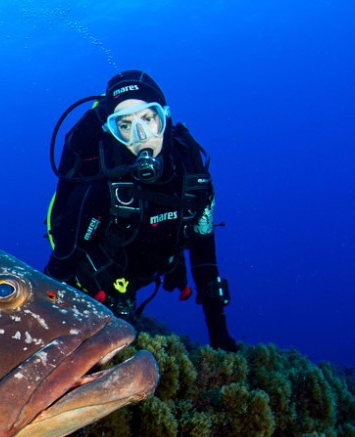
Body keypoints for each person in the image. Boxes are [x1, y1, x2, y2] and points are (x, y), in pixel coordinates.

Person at [44, 69, 236, 351]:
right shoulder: (99, 188)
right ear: (113, 131)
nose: (141, 136)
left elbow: (204, 254)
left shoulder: (192, 174)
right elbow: (60, 270)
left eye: (148, 118)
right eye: (125, 125)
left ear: (164, 117)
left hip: (154, 265)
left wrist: (220, 337)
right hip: (104, 286)